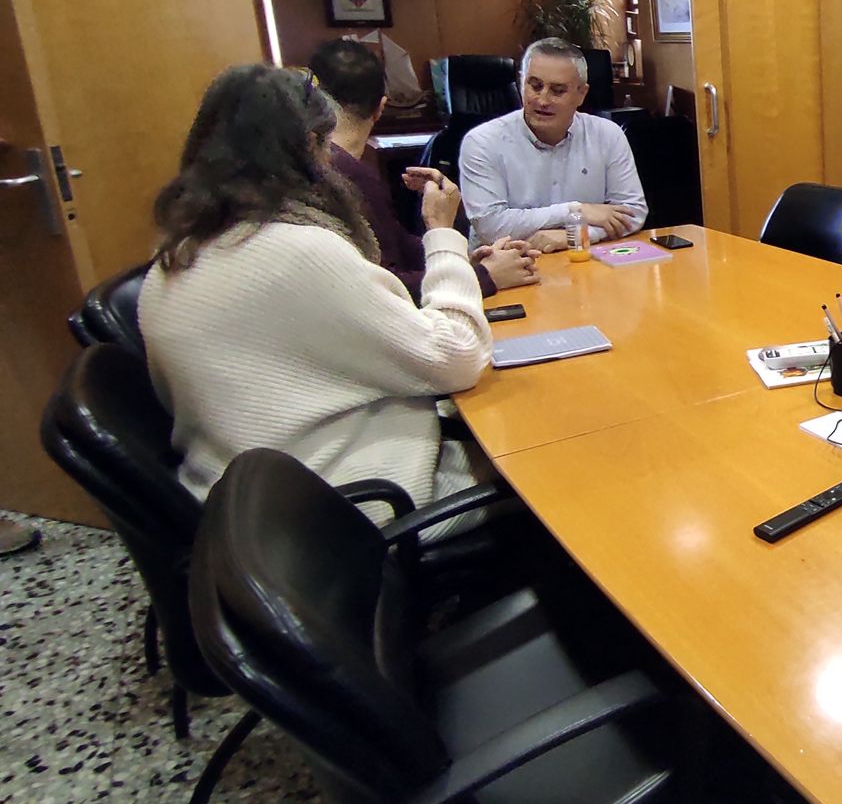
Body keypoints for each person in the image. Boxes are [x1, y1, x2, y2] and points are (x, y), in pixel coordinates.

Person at [139, 65, 493, 524]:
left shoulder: (178, 251)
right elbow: (459, 356)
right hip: (347, 509)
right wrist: (443, 233)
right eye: (326, 145)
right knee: (535, 460)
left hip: (245, 502)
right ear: (307, 148)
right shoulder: (297, 249)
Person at [307, 40, 537, 299]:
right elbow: (383, 288)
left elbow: (400, 247)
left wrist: (462, 259)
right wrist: (482, 275)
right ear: (381, 107)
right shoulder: (345, 177)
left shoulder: (325, 165)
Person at [456, 37, 646, 250]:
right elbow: (490, 226)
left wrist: (578, 235)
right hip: (506, 270)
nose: (543, 100)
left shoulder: (608, 135)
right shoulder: (482, 142)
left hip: (584, 264)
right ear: (521, 83)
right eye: (535, 86)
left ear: (581, 94)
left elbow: (633, 212)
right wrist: (575, 211)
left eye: (557, 91)